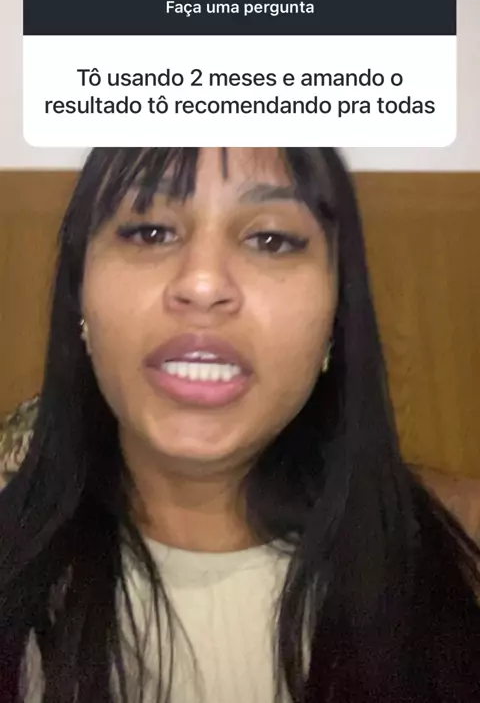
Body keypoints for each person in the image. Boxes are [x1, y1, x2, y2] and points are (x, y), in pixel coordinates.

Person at [0, 147, 479, 703]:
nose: (203, 284)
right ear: (79, 296)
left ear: (336, 315)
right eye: (150, 232)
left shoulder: (460, 561)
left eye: (271, 240)